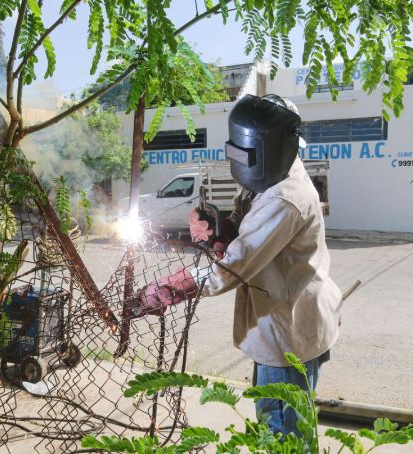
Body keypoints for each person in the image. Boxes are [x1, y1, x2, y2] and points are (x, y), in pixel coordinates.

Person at [137, 94, 343, 437]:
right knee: (277, 424)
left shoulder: (284, 197)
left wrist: (168, 289)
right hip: (282, 322)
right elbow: (245, 222)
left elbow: (230, 269)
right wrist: (220, 227)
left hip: (288, 333)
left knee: (282, 434)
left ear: (274, 147)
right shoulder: (265, 175)